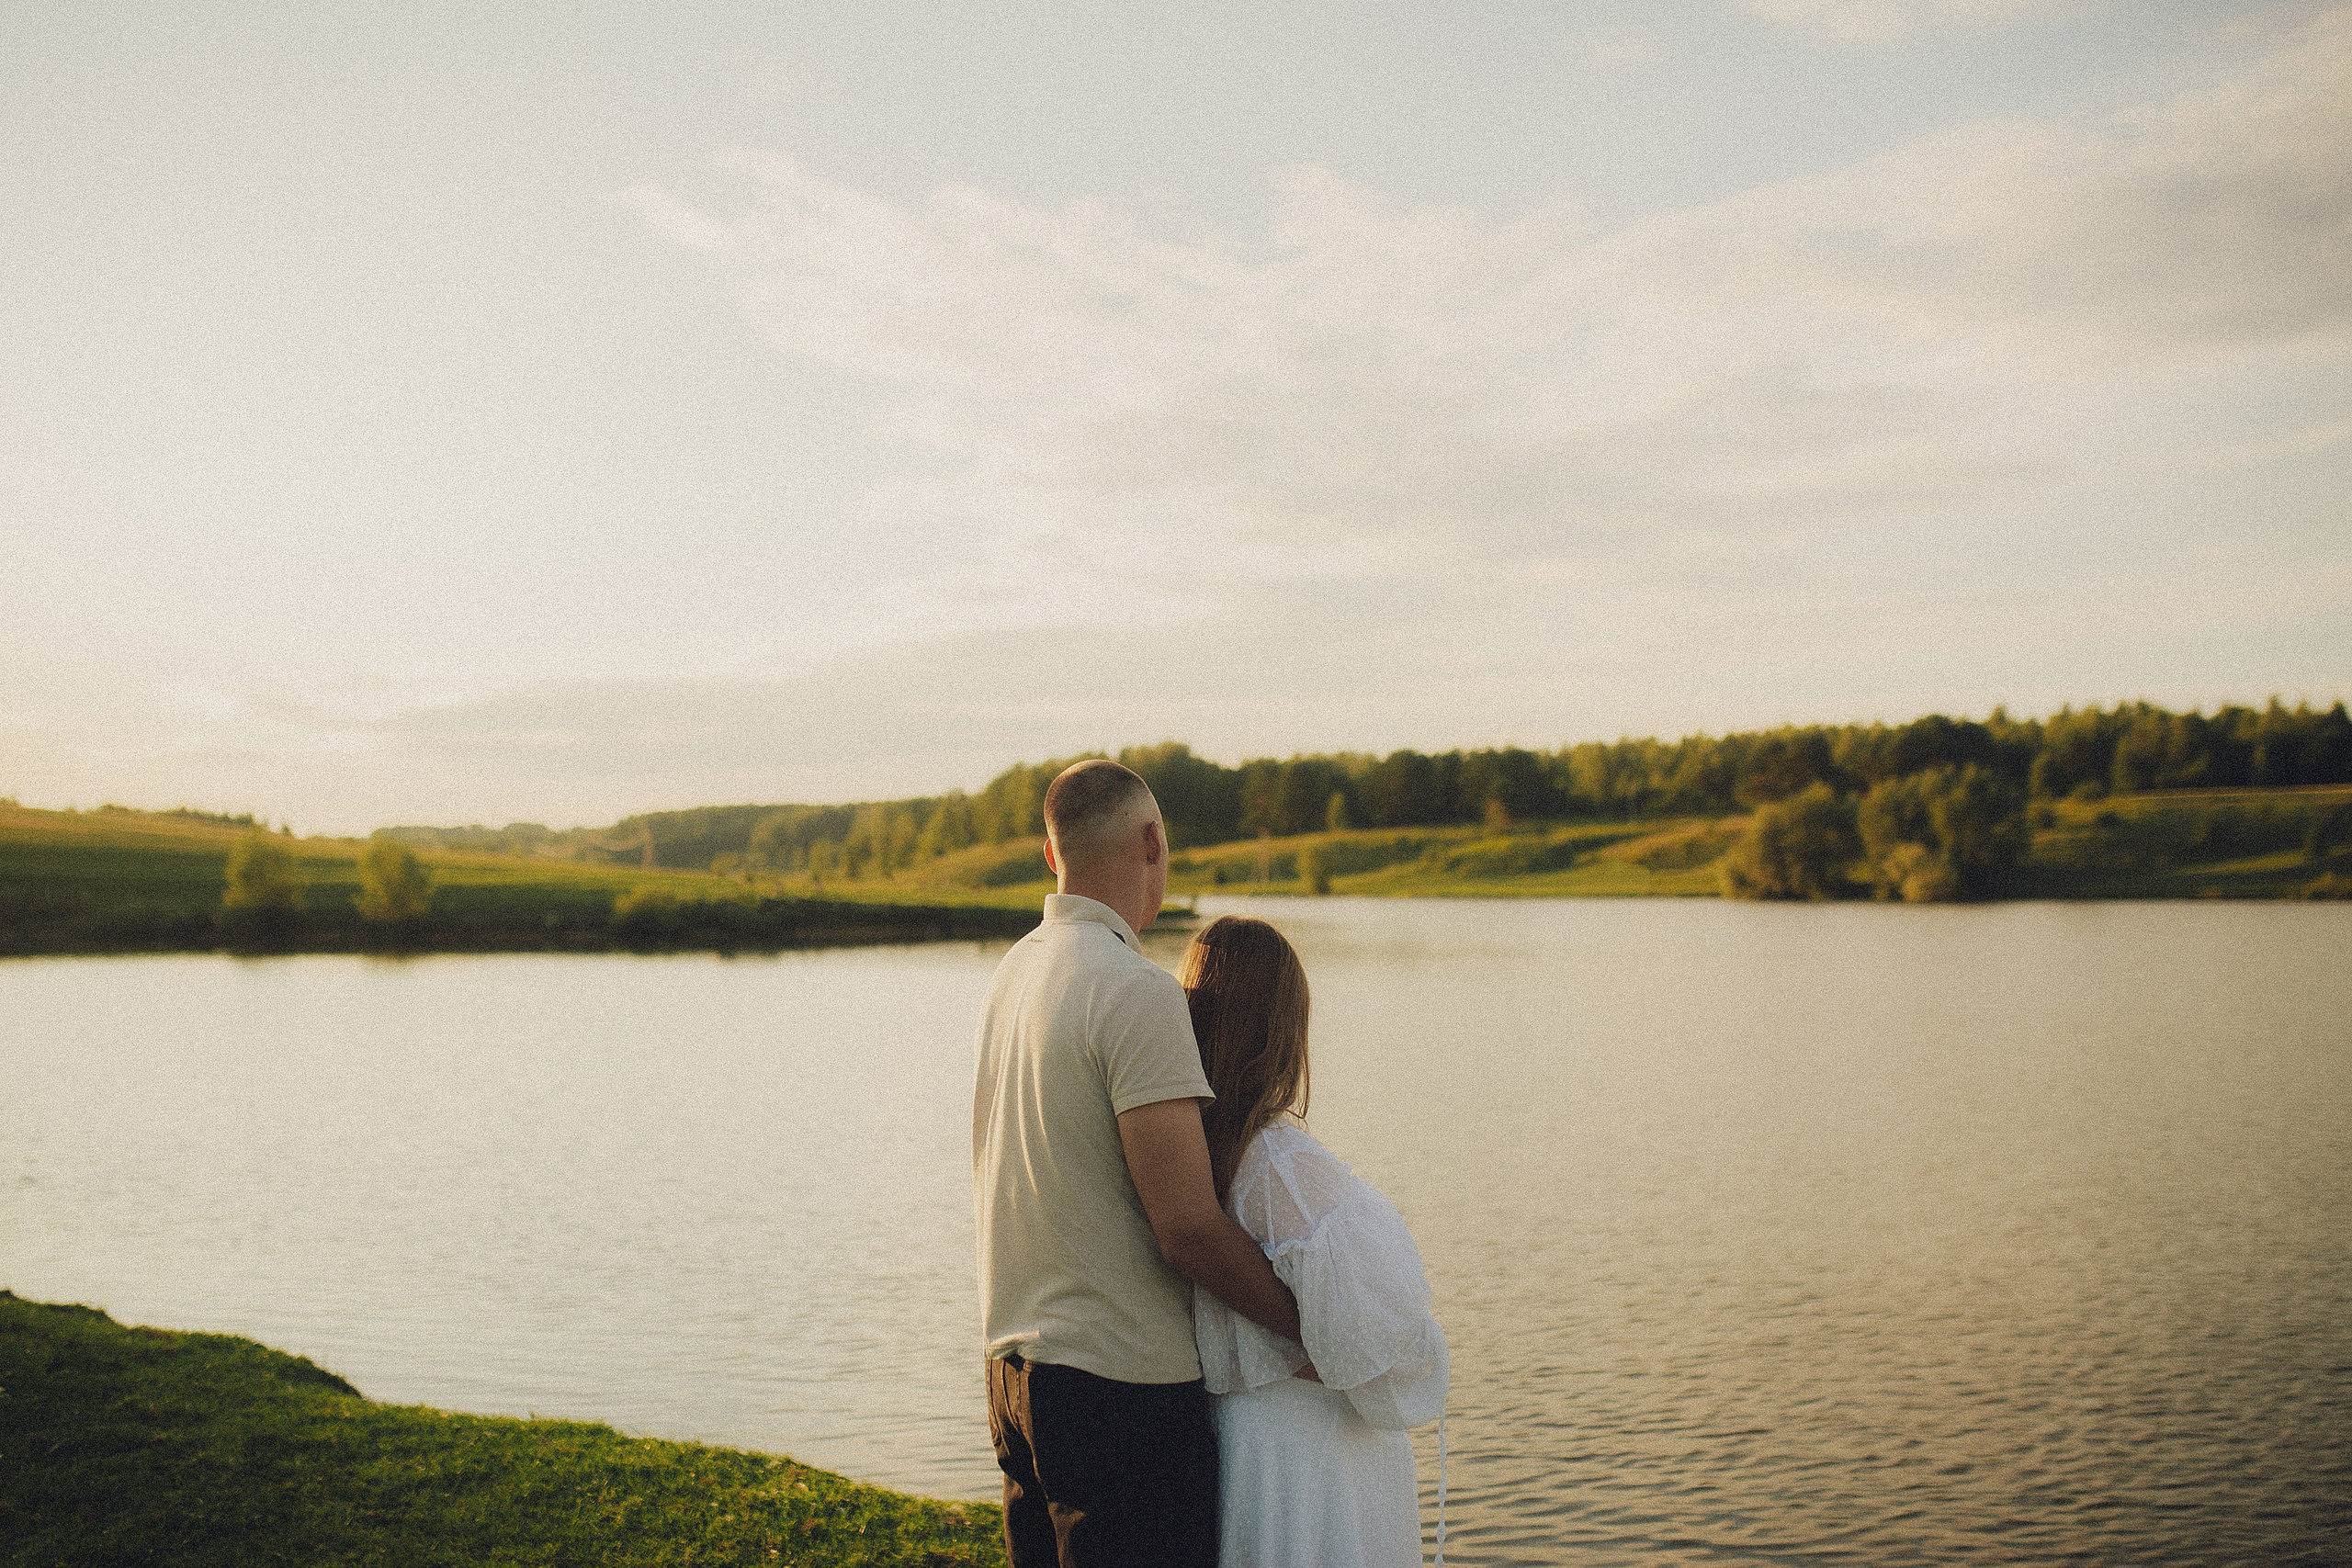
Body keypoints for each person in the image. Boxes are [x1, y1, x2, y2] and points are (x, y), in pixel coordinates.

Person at [973, 761, 1307, 1568]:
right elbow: (1188, 1226)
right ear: (1153, 840)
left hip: (1013, 1377)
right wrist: (1314, 1327)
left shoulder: (1014, 972)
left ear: (1053, 856)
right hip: (1118, 1396)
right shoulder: (1135, 990)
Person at [1183, 915, 1451, 1568]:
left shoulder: (1190, 1154)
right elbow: (1391, 1350)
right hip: (1313, 1453)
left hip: (1246, 1445)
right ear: (1283, 1030)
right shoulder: (1279, 1166)